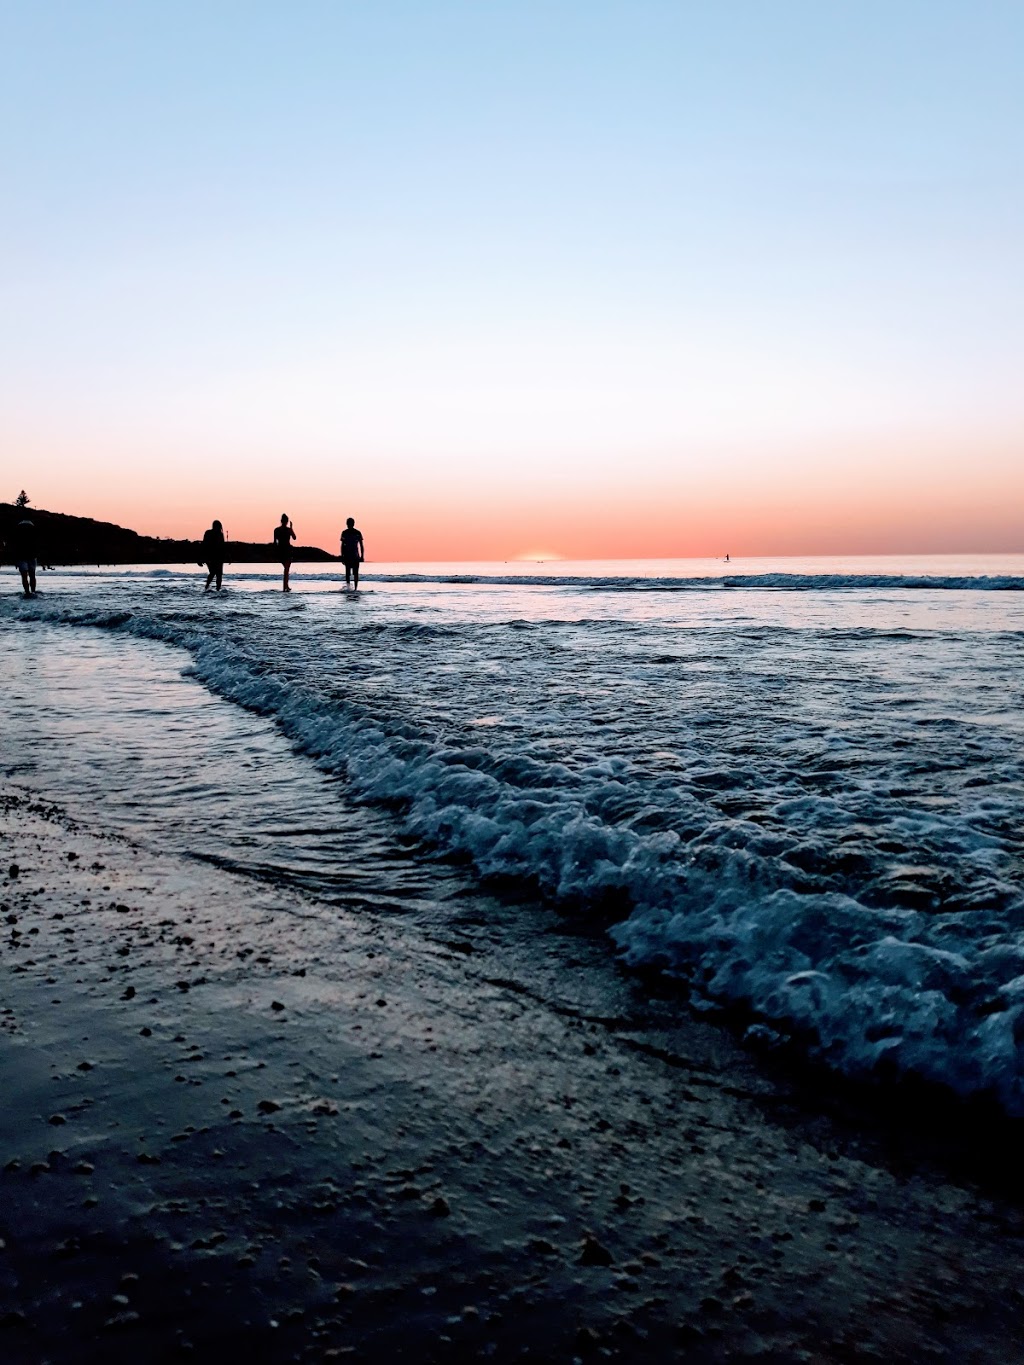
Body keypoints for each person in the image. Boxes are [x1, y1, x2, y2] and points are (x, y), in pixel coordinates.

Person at [9, 517, 38, 596]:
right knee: (32, 575)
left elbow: (14, 546)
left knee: (24, 576)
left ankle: (27, 592)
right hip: (31, 556)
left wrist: (15, 559)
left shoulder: (18, 530)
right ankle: (33, 592)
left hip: (21, 556)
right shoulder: (33, 528)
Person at [273, 514, 297, 592]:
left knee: (286, 569)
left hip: (280, 550)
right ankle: (285, 587)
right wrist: (291, 528)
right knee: (286, 569)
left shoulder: (276, 530)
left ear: (281, 521)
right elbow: (294, 537)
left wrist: (275, 551)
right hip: (287, 550)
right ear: (286, 521)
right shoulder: (288, 530)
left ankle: (286, 586)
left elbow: (275, 543)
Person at [339, 517, 364, 590]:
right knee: (349, 573)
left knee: (354, 573)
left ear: (353, 524)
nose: (349, 525)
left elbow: (361, 545)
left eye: (350, 523)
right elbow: (342, 545)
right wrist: (342, 556)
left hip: (354, 556)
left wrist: (362, 556)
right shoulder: (344, 533)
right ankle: (349, 588)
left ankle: (354, 588)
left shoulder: (357, 533)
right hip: (348, 556)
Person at [201, 520, 226, 592]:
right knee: (214, 572)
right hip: (210, 556)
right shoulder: (208, 533)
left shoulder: (220, 534)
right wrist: (201, 557)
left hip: (218, 557)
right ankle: (207, 586)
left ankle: (217, 588)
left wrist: (227, 556)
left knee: (218, 574)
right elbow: (204, 545)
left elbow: (223, 546)